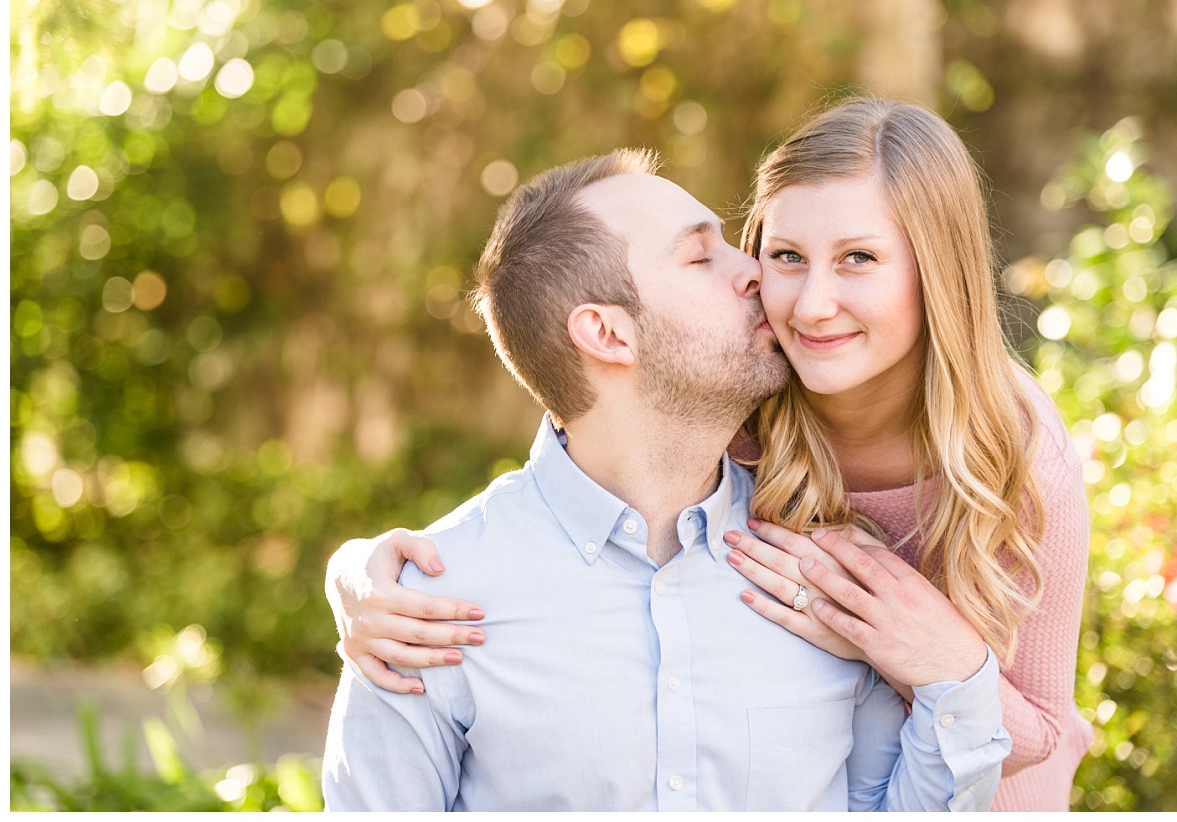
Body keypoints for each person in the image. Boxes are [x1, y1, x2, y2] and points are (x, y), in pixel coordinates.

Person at [324, 98, 1091, 812]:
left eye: (859, 257)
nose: (787, 291)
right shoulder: (737, 415)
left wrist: (916, 652)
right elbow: (589, 464)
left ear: (937, 271)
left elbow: (1037, 728)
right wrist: (359, 570)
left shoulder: (1013, 451)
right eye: (781, 253)